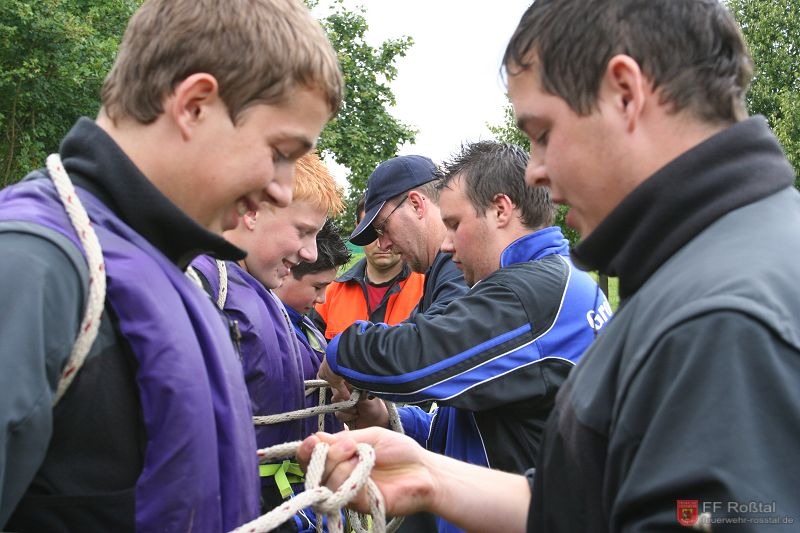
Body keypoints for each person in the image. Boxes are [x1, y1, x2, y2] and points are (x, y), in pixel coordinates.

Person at [299, 0, 800, 532]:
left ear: (625, 95)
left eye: (542, 134)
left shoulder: (724, 313)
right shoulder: (705, 269)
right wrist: (431, 478)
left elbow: (737, 518)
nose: (536, 172)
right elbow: (625, 504)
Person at [0, 0, 343, 530]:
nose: (280, 187)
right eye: (279, 151)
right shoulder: (32, 266)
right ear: (194, 105)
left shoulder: (169, 270)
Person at [318, 140, 610, 533]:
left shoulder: (528, 293)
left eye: (455, 224)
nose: (447, 243)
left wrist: (339, 351)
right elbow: (469, 426)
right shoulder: (553, 281)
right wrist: (389, 416)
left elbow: (413, 360)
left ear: (501, 210)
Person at [190, 151, 344, 532]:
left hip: (280, 506)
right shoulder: (204, 284)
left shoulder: (261, 293)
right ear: (252, 210)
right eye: (303, 231)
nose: (310, 252)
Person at [347, 155, 469, 318]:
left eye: (384, 227)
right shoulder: (437, 268)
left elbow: (442, 332)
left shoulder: (458, 259)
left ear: (416, 205)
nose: (383, 245)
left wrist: (354, 339)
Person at [272, 218, 351, 437]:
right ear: (286, 268)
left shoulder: (303, 323)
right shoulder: (263, 326)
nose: (323, 299)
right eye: (318, 287)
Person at [310, 192, 425, 340]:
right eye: (371, 232)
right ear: (358, 229)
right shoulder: (328, 295)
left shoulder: (428, 286)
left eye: (387, 229)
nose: (381, 243)